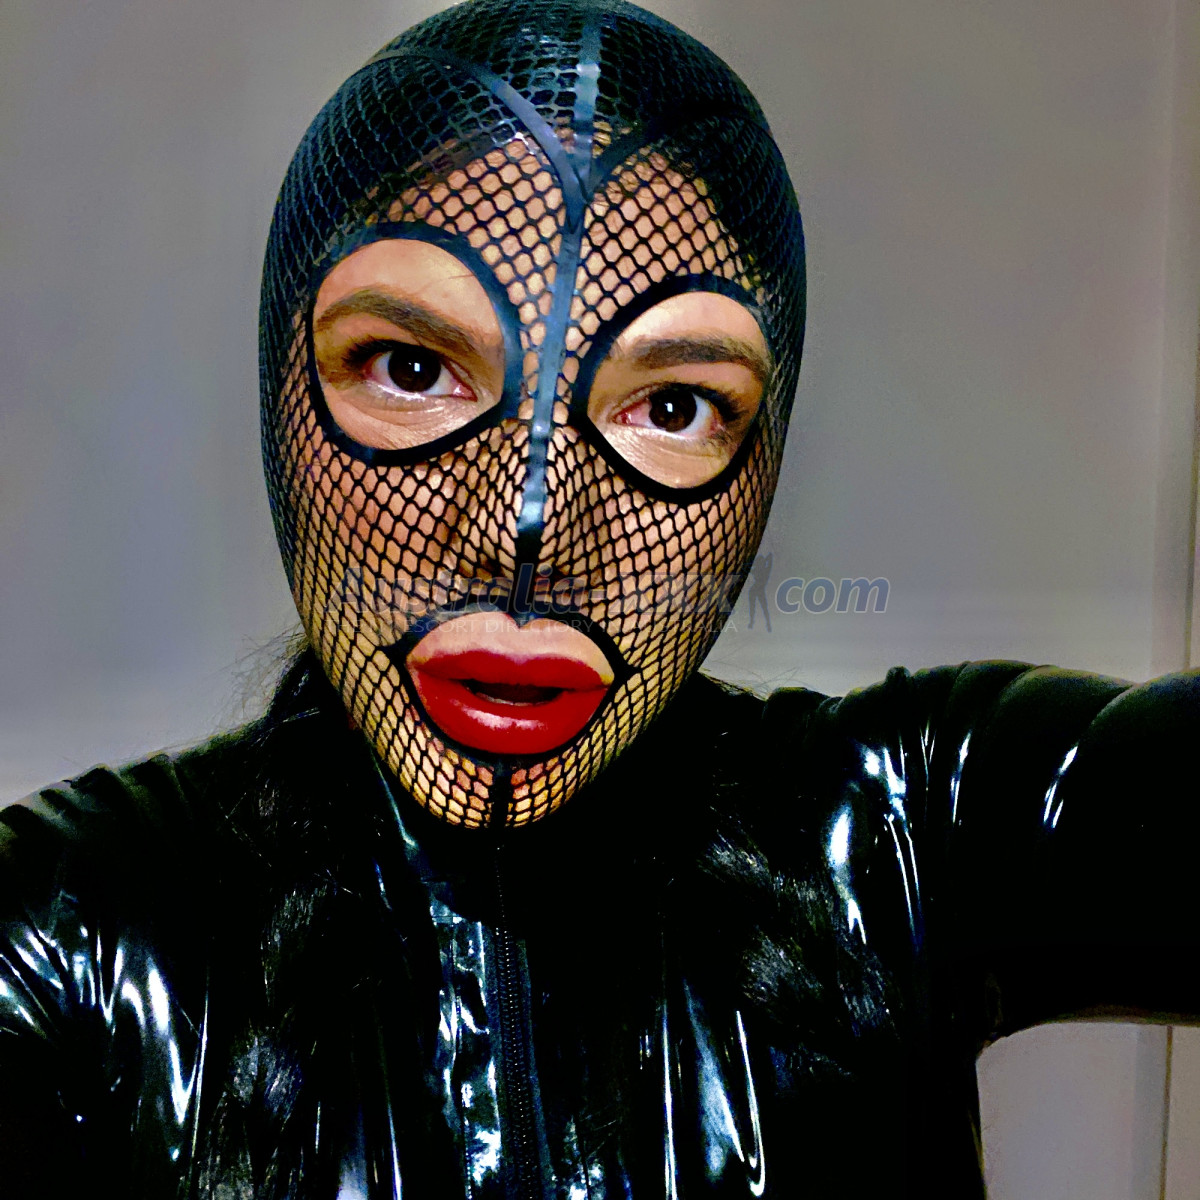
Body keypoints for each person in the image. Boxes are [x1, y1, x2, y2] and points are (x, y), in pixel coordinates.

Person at [1, 1, 1196, 1196]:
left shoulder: (895, 838)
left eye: (671, 406)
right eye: (412, 369)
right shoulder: (67, 943)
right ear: (282, 393)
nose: (525, 529)